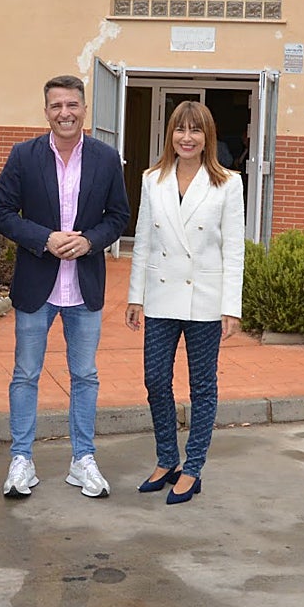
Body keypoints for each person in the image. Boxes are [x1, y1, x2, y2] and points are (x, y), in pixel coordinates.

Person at [0, 74, 131, 499]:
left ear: (84, 109)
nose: (64, 113)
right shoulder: (24, 155)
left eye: (72, 105)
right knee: (25, 374)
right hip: (37, 286)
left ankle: (82, 460)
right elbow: (2, 211)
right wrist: (44, 238)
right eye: (56, 106)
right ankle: (21, 459)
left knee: (85, 375)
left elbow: (119, 216)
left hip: (84, 289)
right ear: (46, 111)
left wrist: (89, 241)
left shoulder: (106, 158)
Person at [124, 100, 245, 505]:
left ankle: (192, 468)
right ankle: (166, 459)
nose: (187, 137)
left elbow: (234, 250)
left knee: (202, 387)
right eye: (180, 129)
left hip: (205, 299)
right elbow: (143, 241)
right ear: (170, 134)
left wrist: (231, 307)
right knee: (156, 380)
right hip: (161, 296)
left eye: (195, 130)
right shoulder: (152, 179)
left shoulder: (228, 183)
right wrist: (136, 296)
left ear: (207, 137)